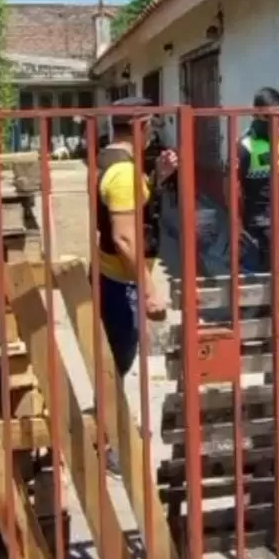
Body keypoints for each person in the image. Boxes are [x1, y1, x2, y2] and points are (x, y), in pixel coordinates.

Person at [96, 97, 177, 380]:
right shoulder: (124, 172)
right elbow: (125, 239)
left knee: (115, 360)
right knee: (119, 360)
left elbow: (131, 205)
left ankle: (111, 417)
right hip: (122, 284)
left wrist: (157, 177)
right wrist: (149, 290)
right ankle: (110, 420)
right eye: (151, 126)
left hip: (116, 279)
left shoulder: (111, 160)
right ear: (139, 126)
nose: (153, 133)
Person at [237, 86, 279, 272]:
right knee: (268, 277)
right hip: (263, 223)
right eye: (269, 117)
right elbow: (232, 187)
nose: (276, 123)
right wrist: (238, 223)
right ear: (256, 115)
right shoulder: (245, 145)